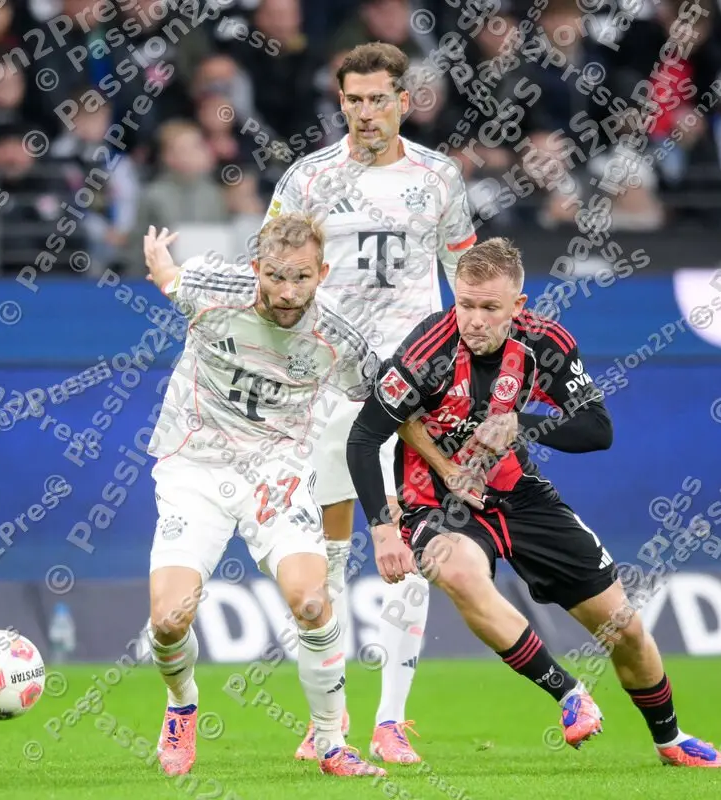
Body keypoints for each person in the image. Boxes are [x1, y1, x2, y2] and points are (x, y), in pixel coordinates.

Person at [345, 237, 721, 769]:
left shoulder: (545, 343)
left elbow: (598, 430)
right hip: (435, 503)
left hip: (519, 495)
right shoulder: (425, 351)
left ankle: (670, 739)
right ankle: (569, 693)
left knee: (622, 627)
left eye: (489, 308)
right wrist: (382, 530)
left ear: (518, 307)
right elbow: (364, 438)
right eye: (464, 304)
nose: (474, 320)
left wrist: (522, 423)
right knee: (456, 571)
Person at [262, 41, 477, 765]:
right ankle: (330, 721)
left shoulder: (438, 177)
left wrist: (470, 369)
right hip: (328, 387)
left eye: (378, 98)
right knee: (328, 556)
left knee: (409, 547)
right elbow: (274, 274)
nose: (364, 112)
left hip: (411, 386)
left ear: (402, 101)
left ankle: (391, 719)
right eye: (352, 100)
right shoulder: (307, 179)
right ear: (341, 102)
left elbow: (468, 276)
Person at [139, 214, 388, 778]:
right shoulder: (209, 288)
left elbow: (387, 399)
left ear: (322, 272)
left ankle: (331, 744)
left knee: (311, 601)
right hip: (194, 465)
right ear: (256, 269)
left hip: (276, 472)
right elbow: (171, 279)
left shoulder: (339, 338)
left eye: (302, 277)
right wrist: (160, 263)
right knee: (168, 619)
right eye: (275, 276)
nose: (288, 291)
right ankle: (181, 706)